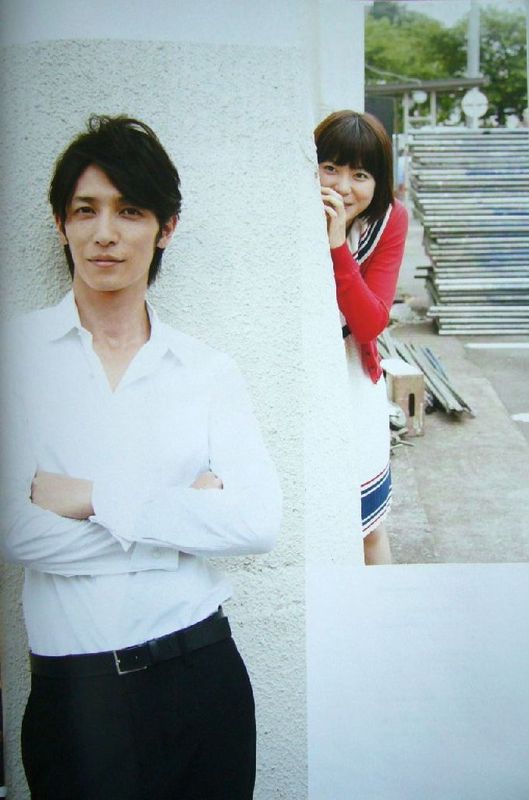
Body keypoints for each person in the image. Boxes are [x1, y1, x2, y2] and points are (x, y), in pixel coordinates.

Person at [0, 115, 281, 800]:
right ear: (61, 224)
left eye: (130, 211)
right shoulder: (17, 357)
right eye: (85, 210)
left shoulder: (206, 371)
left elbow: (257, 522)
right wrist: (180, 525)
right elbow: (15, 532)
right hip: (75, 694)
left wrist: (92, 498)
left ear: (166, 227)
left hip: (200, 673)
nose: (106, 233)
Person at [314, 110, 408, 565]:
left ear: (379, 181)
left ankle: (383, 611)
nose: (342, 187)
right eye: (330, 167)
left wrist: (337, 246)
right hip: (306, 381)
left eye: (360, 174)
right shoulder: (291, 214)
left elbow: (371, 323)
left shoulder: (389, 221)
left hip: (353, 377)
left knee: (366, 527)